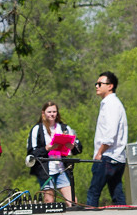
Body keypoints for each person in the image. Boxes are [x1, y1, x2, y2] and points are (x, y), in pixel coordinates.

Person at [86, 71, 128, 207]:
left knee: (93, 193)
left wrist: (99, 153)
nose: (97, 86)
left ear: (110, 86)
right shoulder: (110, 103)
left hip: (108, 157)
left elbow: (110, 133)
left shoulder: (111, 104)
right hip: (116, 157)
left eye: (100, 84)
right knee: (117, 194)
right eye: (96, 84)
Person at [27, 101, 82, 204]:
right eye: (49, 112)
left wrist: (73, 146)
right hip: (46, 170)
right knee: (49, 200)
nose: (52, 114)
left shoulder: (64, 128)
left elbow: (78, 148)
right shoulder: (37, 129)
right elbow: (32, 153)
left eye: (54, 111)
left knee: (72, 200)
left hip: (62, 168)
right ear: (43, 113)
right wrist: (47, 148)